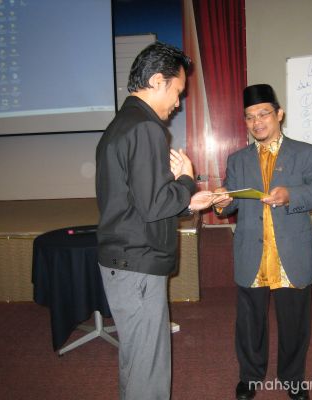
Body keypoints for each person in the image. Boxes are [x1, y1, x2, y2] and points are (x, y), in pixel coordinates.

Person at [95, 41, 221, 400]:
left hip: (123, 260)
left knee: (136, 358)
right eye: (177, 91)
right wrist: (187, 180)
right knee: (148, 366)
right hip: (138, 263)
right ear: (156, 81)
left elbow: (137, 203)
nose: (178, 103)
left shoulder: (120, 125)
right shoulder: (146, 128)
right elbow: (153, 204)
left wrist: (189, 204)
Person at [213, 84, 312, 400]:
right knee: (249, 322)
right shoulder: (237, 159)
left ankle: (292, 378)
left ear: (279, 114)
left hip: (290, 252)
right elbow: (232, 200)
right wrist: (222, 202)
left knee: (294, 323)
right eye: (249, 117)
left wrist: (290, 194)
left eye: (263, 114)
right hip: (252, 251)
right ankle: (250, 376)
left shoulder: (306, 153)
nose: (257, 122)